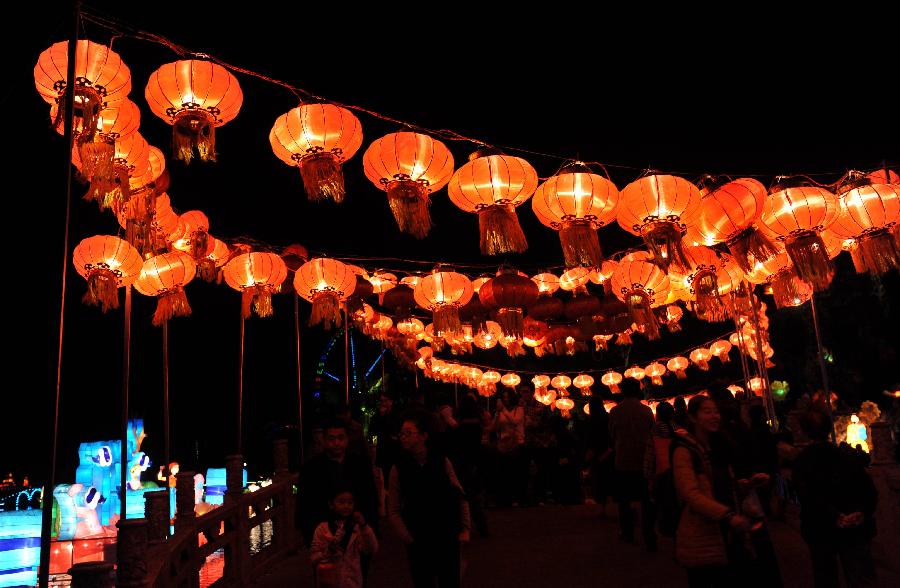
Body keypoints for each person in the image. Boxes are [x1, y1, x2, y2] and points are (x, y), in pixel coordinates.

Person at [671, 395, 753, 587]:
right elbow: (690, 493)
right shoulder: (684, 450)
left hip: (728, 531)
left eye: (716, 411)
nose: (715, 416)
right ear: (692, 417)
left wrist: (745, 484)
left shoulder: (717, 446)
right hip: (703, 533)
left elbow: (719, 485)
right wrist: (727, 515)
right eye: (707, 412)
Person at [792, 407, 878, 588]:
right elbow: (868, 490)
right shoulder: (846, 456)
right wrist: (860, 512)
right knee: (859, 576)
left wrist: (834, 516)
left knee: (826, 576)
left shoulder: (802, 461)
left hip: (820, 529)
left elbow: (807, 497)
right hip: (853, 528)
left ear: (805, 432)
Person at [388, 410, 471, 588]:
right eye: (401, 433)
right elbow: (393, 509)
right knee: (423, 581)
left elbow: (459, 494)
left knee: (449, 579)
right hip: (418, 536)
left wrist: (465, 528)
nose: (404, 437)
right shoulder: (399, 468)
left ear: (424, 436)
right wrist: (408, 537)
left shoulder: (441, 461)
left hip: (446, 532)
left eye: (409, 433)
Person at [298, 420, 380, 549]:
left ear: (347, 439)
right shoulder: (311, 468)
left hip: (356, 532)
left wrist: (370, 526)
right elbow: (304, 504)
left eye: (341, 438)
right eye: (331, 439)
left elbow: (371, 498)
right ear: (324, 440)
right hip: (324, 534)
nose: (336, 443)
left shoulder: (360, 465)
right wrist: (310, 536)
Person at [608, 378, 656, 549]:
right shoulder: (646, 411)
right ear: (638, 391)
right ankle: (649, 535)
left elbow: (612, 436)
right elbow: (652, 433)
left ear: (622, 391)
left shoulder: (615, 412)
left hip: (623, 460)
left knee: (624, 499)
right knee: (646, 500)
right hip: (643, 460)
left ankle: (627, 533)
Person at [310, 488, 379, 588]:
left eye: (350, 502)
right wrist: (328, 552)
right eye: (341, 502)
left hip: (352, 583)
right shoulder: (322, 529)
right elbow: (314, 558)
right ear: (331, 504)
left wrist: (364, 526)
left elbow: (371, 549)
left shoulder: (357, 528)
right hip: (329, 582)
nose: (346, 506)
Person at [494, 388, 526, 507]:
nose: (506, 399)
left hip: (518, 443)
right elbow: (496, 427)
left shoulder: (519, 410)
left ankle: (517, 498)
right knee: (504, 473)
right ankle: (505, 499)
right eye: (504, 397)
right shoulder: (501, 411)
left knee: (516, 472)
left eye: (508, 397)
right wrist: (497, 413)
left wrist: (503, 410)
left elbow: (515, 421)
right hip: (504, 443)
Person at [584, 396, 614, 514]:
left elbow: (591, 438)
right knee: (608, 479)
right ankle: (610, 506)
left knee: (599, 481)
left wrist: (590, 452)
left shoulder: (592, 420)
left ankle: (602, 508)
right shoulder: (608, 417)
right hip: (608, 452)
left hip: (597, 453)